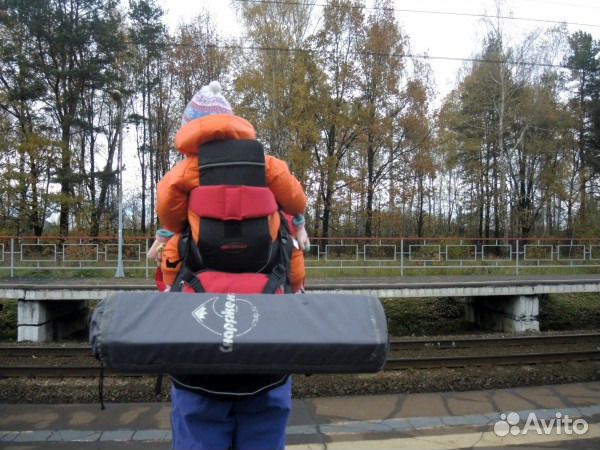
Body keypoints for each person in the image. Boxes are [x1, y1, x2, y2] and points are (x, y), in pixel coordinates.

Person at [155, 80, 309, 450]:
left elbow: (169, 213)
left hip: (199, 358)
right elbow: (296, 201)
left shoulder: (186, 172)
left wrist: (174, 230)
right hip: (267, 351)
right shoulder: (267, 165)